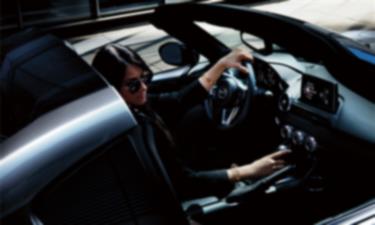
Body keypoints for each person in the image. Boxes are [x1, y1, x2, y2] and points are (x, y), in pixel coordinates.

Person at [92, 43, 290, 199]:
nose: (144, 88)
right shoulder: (136, 129)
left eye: (145, 78)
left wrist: (222, 64)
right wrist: (249, 171)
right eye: (133, 84)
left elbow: (180, 99)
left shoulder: (134, 107)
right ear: (112, 88)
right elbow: (184, 183)